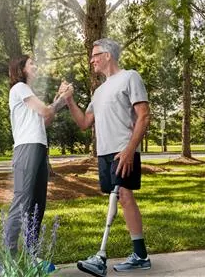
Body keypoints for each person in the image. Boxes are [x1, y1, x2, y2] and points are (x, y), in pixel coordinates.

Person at [62, 38, 152, 276]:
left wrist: (130, 149)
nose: (91, 60)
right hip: (104, 152)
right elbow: (84, 123)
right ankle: (141, 255)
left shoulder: (130, 77)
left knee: (122, 195)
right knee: (122, 198)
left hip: (123, 149)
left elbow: (143, 116)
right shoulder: (99, 91)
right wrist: (70, 101)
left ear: (108, 55)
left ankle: (102, 255)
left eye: (95, 55)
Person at [4, 55, 70, 257]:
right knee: (22, 201)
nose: (35, 65)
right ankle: (10, 260)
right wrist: (62, 99)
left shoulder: (28, 91)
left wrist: (60, 98)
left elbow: (45, 120)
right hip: (27, 148)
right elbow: (44, 111)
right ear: (21, 68)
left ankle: (32, 257)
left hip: (39, 147)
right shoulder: (19, 88)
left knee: (37, 204)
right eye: (31, 63)